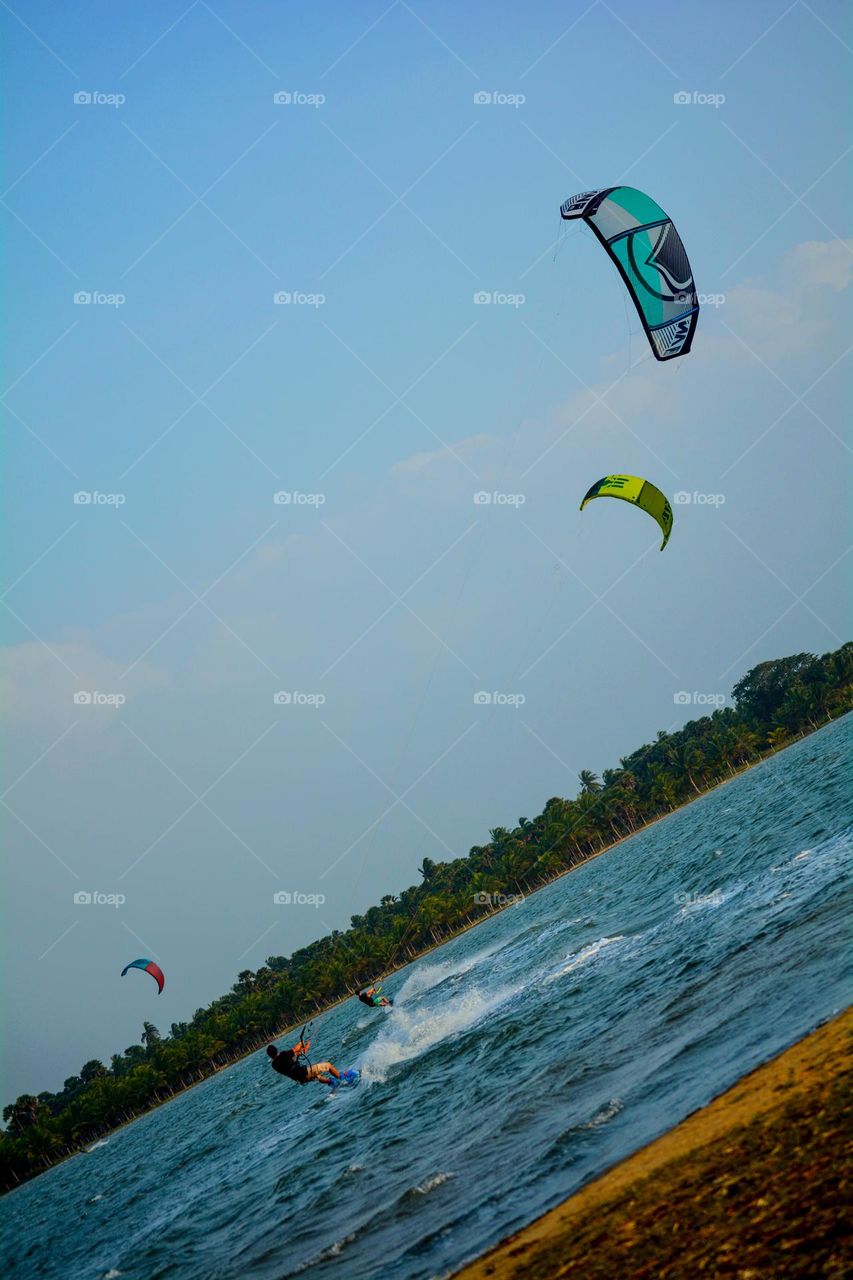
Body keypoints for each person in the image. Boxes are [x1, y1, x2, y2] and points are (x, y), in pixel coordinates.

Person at [266, 1037, 340, 1086]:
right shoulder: (283, 1055)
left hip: (300, 1079)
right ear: (276, 1050)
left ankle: (332, 1083)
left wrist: (305, 1047)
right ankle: (341, 1078)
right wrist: (301, 1043)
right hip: (304, 1073)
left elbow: (296, 1054)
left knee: (317, 1076)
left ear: (270, 1056)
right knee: (328, 1065)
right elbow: (295, 1049)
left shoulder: (274, 1065)